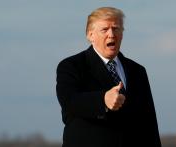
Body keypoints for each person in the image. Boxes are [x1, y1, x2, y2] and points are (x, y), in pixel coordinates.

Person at [56, 6, 162, 147]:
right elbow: (70, 102)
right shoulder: (71, 66)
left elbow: (149, 122)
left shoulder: (137, 71)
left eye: (116, 28)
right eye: (104, 29)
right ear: (90, 35)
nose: (111, 34)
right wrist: (103, 100)